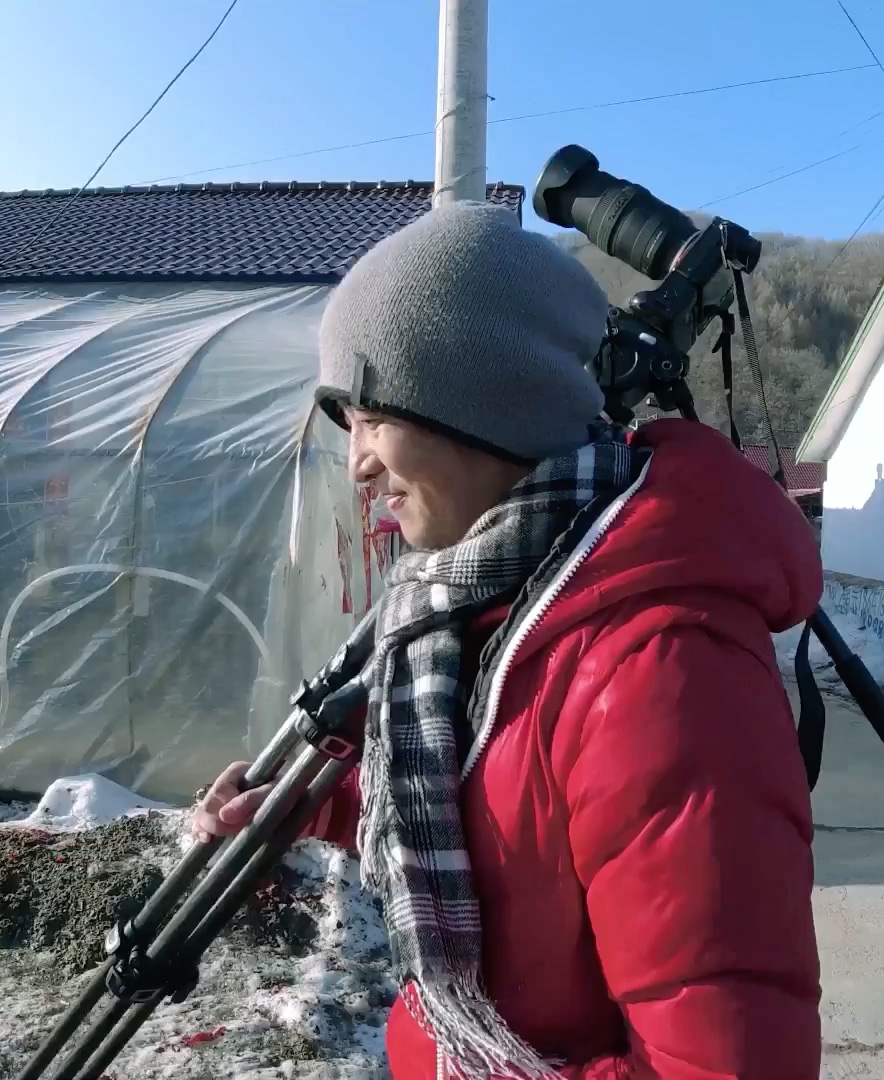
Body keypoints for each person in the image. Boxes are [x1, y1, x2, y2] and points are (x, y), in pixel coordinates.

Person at [192, 202, 822, 1079]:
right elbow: (497, 798)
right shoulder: (485, 605)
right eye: (346, 424)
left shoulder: (660, 672)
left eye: (373, 417)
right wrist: (310, 808)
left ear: (481, 406)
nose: (357, 463)